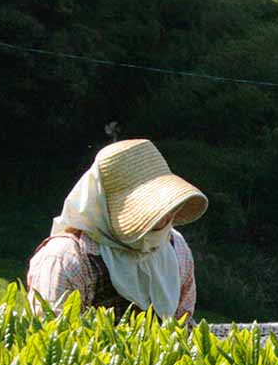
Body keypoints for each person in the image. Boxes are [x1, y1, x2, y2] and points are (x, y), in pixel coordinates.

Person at [27, 138, 207, 322]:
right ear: (106, 206)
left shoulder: (176, 249)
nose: (167, 215)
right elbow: (52, 336)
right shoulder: (66, 259)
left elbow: (183, 328)